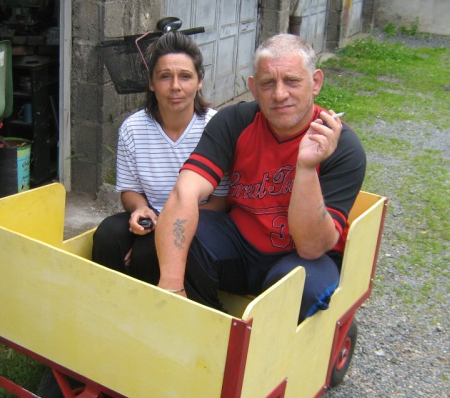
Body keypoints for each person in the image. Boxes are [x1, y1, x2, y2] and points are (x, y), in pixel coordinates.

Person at [155, 33, 366, 322]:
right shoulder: (234, 122)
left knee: (298, 287)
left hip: (301, 259)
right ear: (254, 88)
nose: (279, 94)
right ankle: (205, 327)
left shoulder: (342, 146)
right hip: (241, 244)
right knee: (182, 236)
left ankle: (270, 360)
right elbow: (185, 192)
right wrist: (171, 285)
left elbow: (313, 247)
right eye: (268, 83)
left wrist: (305, 167)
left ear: (315, 82)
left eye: (292, 81)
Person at [92, 31, 228, 284]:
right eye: (165, 77)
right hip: (153, 215)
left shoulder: (216, 127)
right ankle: (109, 306)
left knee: (149, 252)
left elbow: (220, 202)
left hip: (200, 218)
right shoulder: (133, 128)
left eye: (185, 76)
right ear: (152, 83)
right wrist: (140, 209)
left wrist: (164, 227)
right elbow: (129, 190)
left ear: (199, 81)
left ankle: (155, 315)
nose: (175, 86)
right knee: (107, 235)